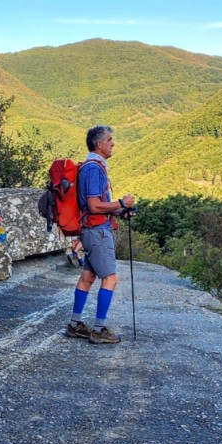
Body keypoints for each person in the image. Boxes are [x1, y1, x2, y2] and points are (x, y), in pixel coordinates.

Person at [66, 124, 136, 344]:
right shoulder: (94, 168)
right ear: (99, 144)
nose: (113, 143)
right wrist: (123, 202)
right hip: (97, 231)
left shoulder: (89, 166)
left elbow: (95, 206)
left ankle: (75, 325)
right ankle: (99, 329)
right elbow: (94, 205)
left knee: (88, 276)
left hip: (90, 229)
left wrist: (119, 211)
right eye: (110, 140)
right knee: (111, 278)